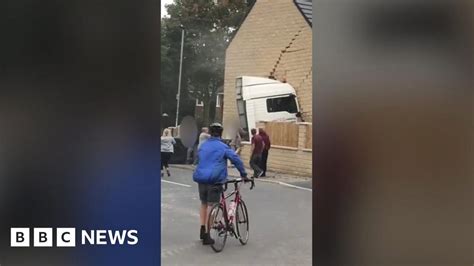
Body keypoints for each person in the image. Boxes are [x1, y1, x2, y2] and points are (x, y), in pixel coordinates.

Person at [193, 123, 248, 245]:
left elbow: (200, 158)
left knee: (203, 203)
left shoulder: (203, 145)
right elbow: (236, 159)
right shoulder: (223, 147)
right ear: (221, 133)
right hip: (214, 179)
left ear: (210, 133)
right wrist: (243, 174)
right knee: (211, 206)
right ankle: (207, 234)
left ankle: (202, 229)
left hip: (201, 178)